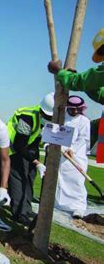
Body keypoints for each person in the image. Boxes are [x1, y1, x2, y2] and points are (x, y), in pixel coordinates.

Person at [48, 28, 104, 163]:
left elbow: (79, 81)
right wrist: (83, 83)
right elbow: (101, 95)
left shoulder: (83, 121)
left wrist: (60, 72)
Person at [7, 92, 54, 226]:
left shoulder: (49, 119)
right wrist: (37, 162)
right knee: (18, 180)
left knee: (29, 179)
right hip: (14, 149)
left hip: (30, 148)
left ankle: (26, 209)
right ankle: (18, 213)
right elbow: (19, 145)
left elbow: (37, 139)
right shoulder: (27, 118)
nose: (49, 118)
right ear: (42, 111)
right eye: (48, 116)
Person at [55, 96, 90, 218]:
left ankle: (78, 207)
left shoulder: (84, 121)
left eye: (77, 109)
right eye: (72, 109)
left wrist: (72, 149)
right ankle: (59, 204)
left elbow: (83, 139)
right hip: (60, 155)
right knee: (60, 181)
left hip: (76, 157)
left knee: (77, 182)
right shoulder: (61, 118)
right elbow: (54, 133)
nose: (75, 111)